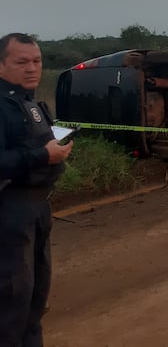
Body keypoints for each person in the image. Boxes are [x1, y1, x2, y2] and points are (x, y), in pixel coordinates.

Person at [0, 33, 73, 347]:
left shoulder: (29, 102)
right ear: (1, 65)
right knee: (12, 303)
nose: (32, 68)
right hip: (10, 212)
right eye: (21, 62)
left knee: (35, 300)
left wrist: (58, 141)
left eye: (37, 61)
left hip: (38, 209)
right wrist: (44, 155)